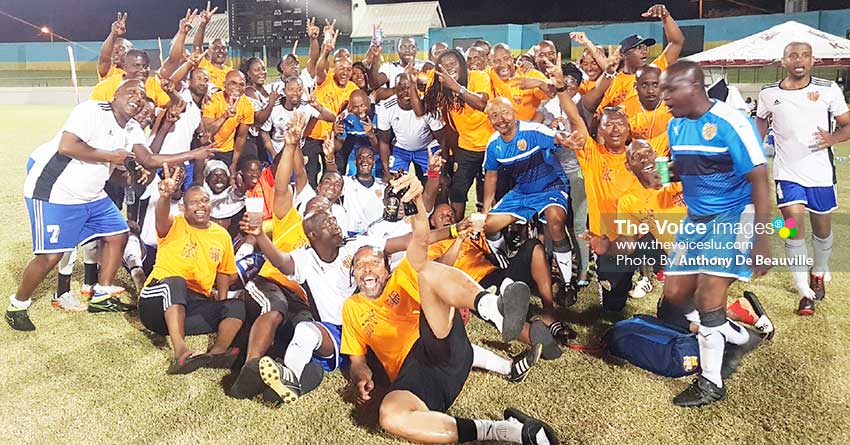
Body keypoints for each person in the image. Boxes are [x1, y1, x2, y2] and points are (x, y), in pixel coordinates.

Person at [333, 174, 558, 444]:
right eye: (359, 265)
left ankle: (493, 308)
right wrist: (361, 377)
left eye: (374, 262)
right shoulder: (352, 308)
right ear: (353, 275)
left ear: (387, 269)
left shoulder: (401, 276)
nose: (367, 269)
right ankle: (507, 430)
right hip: (418, 379)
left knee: (427, 270)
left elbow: (420, 239)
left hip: (438, 344)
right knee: (390, 416)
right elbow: (357, 362)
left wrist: (418, 201)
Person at [7, 79, 216, 331]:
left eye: (142, 95)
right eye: (132, 92)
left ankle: (102, 295)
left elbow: (148, 159)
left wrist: (192, 154)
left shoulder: (131, 128)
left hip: (91, 195)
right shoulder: (92, 110)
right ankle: (18, 305)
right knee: (51, 255)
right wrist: (111, 156)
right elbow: (67, 146)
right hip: (55, 192)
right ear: (116, 95)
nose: (138, 98)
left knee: (118, 234)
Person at [658, 60, 769, 407]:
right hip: (696, 219)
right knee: (675, 294)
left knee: (708, 295)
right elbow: (683, 168)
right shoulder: (676, 125)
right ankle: (737, 336)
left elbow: (759, 178)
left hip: (734, 215)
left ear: (694, 87)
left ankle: (711, 382)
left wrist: (762, 238)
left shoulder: (732, 121)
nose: (664, 97)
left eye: (669, 89)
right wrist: (657, 175)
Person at [756, 41, 850, 315]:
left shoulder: (827, 89)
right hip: (787, 173)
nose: (799, 60)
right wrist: (753, 145)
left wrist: (832, 139)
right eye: (793, 56)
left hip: (820, 174)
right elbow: (760, 120)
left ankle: (818, 270)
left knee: (822, 231)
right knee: (794, 229)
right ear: (783, 61)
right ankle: (804, 292)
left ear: (813, 60)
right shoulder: (768, 93)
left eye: (805, 55)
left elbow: (847, 124)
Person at [138, 166, 245, 374]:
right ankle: (180, 352)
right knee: (176, 282)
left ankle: (217, 354)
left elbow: (224, 273)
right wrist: (164, 197)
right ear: (183, 208)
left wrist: (222, 304)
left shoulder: (221, 235)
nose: (201, 205)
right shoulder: (174, 225)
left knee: (236, 307)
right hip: (156, 303)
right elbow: (161, 216)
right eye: (194, 202)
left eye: (204, 201)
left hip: (191, 307)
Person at [480, 97, 575, 325]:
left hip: (551, 186)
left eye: (505, 113)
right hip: (522, 192)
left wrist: (565, 138)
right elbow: (491, 176)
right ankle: (506, 266)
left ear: (513, 111)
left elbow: (557, 138)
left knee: (555, 221)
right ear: (489, 120)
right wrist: (485, 209)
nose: (501, 119)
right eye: (494, 116)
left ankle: (567, 282)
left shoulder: (533, 131)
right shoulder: (494, 146)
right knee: (489, 225)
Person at [421, 49, 492, 219]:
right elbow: (423, 109)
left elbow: (482, 103)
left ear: (462, 63)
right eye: (444, 66)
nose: (449, 68)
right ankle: (455, 229)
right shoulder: (442, 85)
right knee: (457, 192)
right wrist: (414, 82)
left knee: (493, 192)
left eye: (453, 63)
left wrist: (456, 87)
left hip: (490, 145)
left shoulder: (478, 76)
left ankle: (496, 231)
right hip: (465, 147)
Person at [597, 4, 684, 111]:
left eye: (645, 47)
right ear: (624, 55)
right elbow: (600, 113)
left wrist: (665, 16)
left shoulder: (656, 69)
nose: (644, 51)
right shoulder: (613, 82)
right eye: (638, 48)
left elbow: (676, 42)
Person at [303, 22, 359, 188]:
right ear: (334, 68)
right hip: (313, 135)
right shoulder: (325, 79)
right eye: (341, 68)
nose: (345, 72)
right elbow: (319, 67)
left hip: (335, 138)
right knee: (310, 176)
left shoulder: (353, 88)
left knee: (335, 175)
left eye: (348, 69)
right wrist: (326, 51)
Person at [377, 73, 445, 180]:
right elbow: (384, 141)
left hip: (427, 149)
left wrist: (444, 170)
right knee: (396, 184)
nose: (406, 93)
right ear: (395, 90)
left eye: (409, 88)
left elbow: (442, 139)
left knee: (434, 181)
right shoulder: (386, 107)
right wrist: (386, 172)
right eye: (401, 89)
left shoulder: (428, 106)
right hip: (401, 149)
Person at [202, 70, 255, 169]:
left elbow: (241, 137)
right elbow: (207, 132)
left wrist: (234, 163)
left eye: (241, 84)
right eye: (233, 83)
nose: (237, 87)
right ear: (224, 85)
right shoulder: (213, 100)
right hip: (207, 149)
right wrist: (224, 117)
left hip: (227, 151)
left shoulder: (247, 105)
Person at [488, 43, 552, 121]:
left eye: (506, 59)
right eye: (496, 61)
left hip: (531, 125)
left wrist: (541, 84)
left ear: (512, 58)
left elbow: (552, 96)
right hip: (502, 126)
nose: (502, 64)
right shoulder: (489, 74)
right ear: (491, 63)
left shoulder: (530, 74)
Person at [90, 49, 171, 108]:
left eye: (145, 67)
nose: (142, 70)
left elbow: (171, 105)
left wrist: (171, 92)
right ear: (125, 67)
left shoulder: (153, 84)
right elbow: (93, 111)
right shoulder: (105, 87)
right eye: (137, 66)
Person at [193, 4, 233, 92]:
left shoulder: (230, 72)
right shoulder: (203, 66)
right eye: (216, 48)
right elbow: (197, 46)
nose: (221, 51)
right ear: (208, 52)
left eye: (223, 48)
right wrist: (203, 24)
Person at [97, 12, 133, 80]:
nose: (115, 51)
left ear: (131, 52)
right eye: (113, 49)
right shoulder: (109, 72)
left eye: (121, 48)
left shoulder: (138, 74)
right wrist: (114, 34)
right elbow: (104, 58)